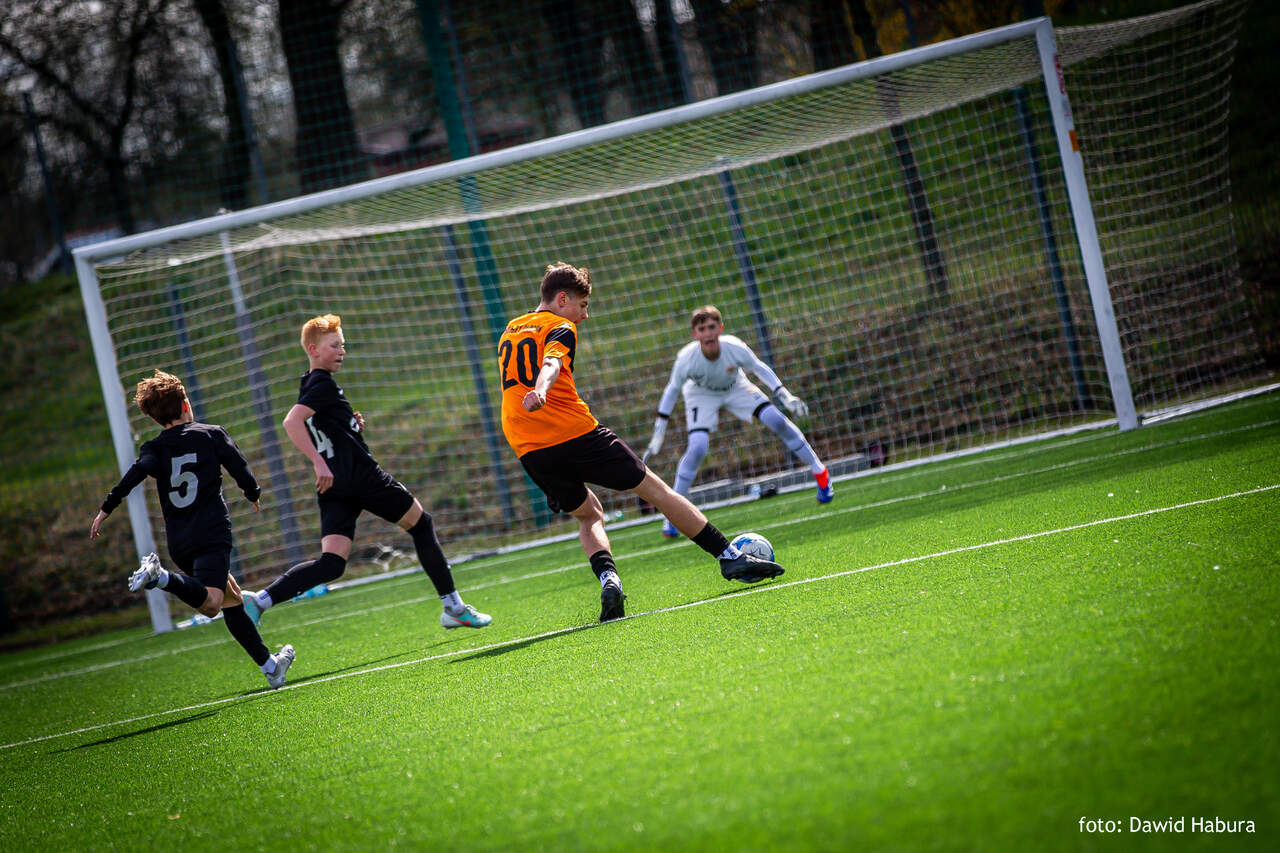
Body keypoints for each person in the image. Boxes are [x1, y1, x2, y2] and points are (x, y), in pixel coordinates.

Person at [498, 263, 785, 623]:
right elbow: (552, 364)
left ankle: (610, 579)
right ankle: (729, 557)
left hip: (529, 447)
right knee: (657, 491)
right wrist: (541, 391)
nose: (585, 315)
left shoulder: (510, 329)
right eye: (582, 305)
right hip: (574, 432)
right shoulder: (561, 326)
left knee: (589, 514)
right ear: (562, 299)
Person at [242, 314, 491, 631]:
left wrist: (349, 426)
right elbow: (292, 421)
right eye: (334, 345)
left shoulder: (310, 382)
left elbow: (319, 424)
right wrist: (318, 461)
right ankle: (454, 608)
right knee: (422, 524)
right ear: (313, 349)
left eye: (342, 345)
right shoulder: (322, 384)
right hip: (361, 477)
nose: (342, 351)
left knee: (332, 564)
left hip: (336, 486)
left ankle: (260, 601)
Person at [89, 370, 295, 689]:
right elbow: (238, 466)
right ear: (186, 403)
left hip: (179, 540)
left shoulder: (154, 448)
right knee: (212, 604)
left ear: (155, 418)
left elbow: (136, 473)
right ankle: (161, 577)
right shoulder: (210, 434)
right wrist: (252, 492)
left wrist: (107, 507)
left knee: (231, 598)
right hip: (211, 533)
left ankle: (271, 668)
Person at [645, 305, 833, 537]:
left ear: (720, 328)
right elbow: (672, 390)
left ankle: (821, 473)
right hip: (701, 394)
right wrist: (659, 431)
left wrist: (784, 394)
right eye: (702, 329)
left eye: (712, 327)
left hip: (735, 386)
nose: (707, 333)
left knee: (776, 420)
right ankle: (672, 515)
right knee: (698, 448)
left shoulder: (734, 347)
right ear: (694, 334)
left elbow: (759, 368)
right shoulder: (686, 359)